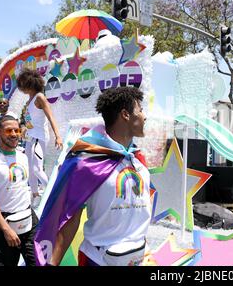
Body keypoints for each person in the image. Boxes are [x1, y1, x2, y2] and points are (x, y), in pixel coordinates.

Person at [34, 87, 151, 266]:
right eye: (140, 110)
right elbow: (69, 218)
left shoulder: (137, 159)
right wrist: (52, 263)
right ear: (126, 114)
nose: (144, 116)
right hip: (98, 260)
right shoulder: (86, 162)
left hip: (137, 258)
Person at [0, 115, 38, 266]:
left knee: (39, 261)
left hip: (27, 218)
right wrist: (6, 229)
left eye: (16, 130)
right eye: (9, 130)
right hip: (2, 224)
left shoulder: (23, 157)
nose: (14, 134)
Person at [16, 68, 63, 207]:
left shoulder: (39, 97)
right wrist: (24, 129)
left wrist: (58, 136)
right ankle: (35, 195)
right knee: (30, 168)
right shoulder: (29, 100)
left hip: (39, 137)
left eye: (24, 83)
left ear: (31, 82)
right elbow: (30, 122)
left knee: (37, 169)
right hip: (30, 137)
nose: (22, 86)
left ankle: (54, 194)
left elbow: (51, 117)